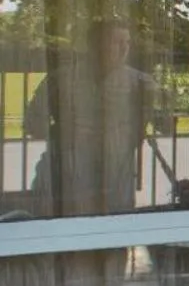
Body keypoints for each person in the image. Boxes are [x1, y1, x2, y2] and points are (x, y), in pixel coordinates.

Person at [25, 18, 163, 217]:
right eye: (116, 42)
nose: (124, 48)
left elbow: (161, 124)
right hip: (67, 177)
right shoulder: (60, 80)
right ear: (95, 45)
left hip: (115, 179)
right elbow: (32, 122)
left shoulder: (140, 83)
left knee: (113, 237)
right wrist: (68, 132)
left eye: (127, 42)